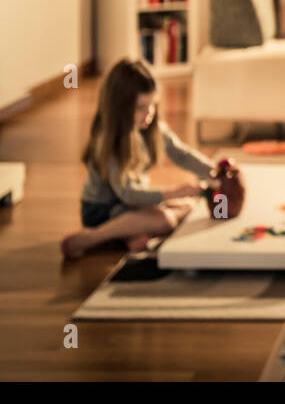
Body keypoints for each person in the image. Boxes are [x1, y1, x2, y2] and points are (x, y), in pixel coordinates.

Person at [60, 59, 218, 259]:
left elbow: (181, 154)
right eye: (141, 107)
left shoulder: (150, 127)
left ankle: (131, 235)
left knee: (189, 205)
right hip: (102, 210)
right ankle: (93, 237)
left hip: (130, 204)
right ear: (119, 108)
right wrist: (172, 193)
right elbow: (128, 194)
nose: (149, 113)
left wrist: (213, 170)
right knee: (167, 220)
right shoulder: (111, 142)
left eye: (152, 104)